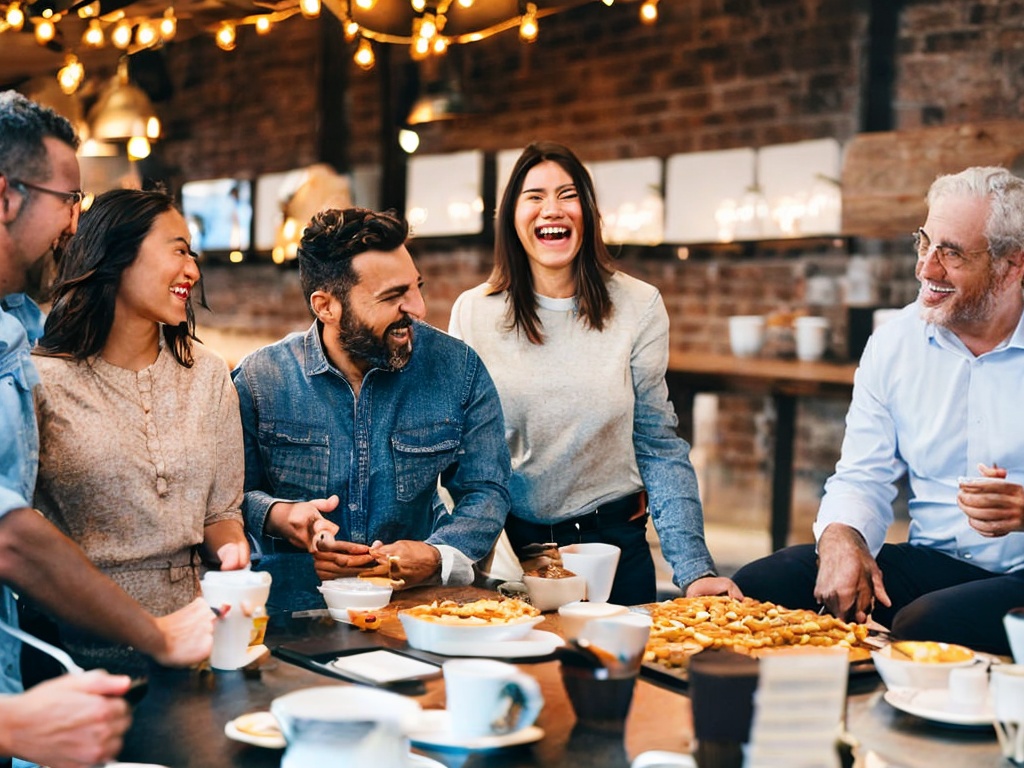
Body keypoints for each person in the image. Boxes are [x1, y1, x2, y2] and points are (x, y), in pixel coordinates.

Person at [0, 90, 217, 767]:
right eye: (68, 200)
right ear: (6, 197)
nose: (76, 224)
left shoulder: (15, 332)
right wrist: (156, 633)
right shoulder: (42, 362)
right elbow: (9, 534)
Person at [733, 166, 1024, 655]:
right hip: (934, 566)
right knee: (763, 584)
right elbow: (861, 476)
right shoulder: (895, 343)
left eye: (951, 254)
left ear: (1012, 266)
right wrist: (842, 539)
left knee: (925, 624)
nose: (927, 270)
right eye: (924, 243)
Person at [448, 141, 740, 605]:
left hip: (611, 547)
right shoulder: (474, 312)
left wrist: (694, 569)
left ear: (587, 210)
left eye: (567, 195)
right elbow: (459, 451)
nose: (552, 209)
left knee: (623, 674)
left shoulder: (639, 305)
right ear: (512, 217)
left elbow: (658, 443)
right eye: (535, 196)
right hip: (509, 554)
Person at [233, 207, 510, 611]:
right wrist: (279, 515)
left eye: (416, 287)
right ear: (326, 306)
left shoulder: (458, 369)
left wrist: (437, 555)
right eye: (393, 296)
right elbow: (224, 500)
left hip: (412, 611)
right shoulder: (261, 380)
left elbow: (487, 489)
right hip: (288, 611)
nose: (417, 308)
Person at [32, 188, 250, 674]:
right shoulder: (38, 381)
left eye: (193, 253)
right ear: (117, 254)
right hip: (74, 653)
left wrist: (233, 551)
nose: (192, 269)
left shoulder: (209, 376)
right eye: (178, 249)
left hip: (196, 642)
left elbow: (220, 512)